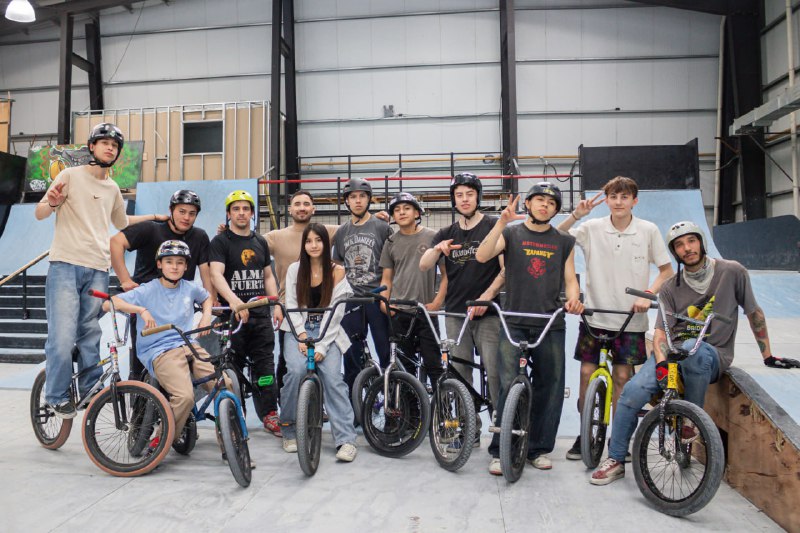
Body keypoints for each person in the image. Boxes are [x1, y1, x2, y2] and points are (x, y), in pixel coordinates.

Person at [590, 221, 799, 486]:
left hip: (712, 354)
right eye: (679, 245)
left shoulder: (732, 272)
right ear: (674, 253)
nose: (687, 248)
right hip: (672, 353)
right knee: (632, 392)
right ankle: (616, 459)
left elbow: (753, 312)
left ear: (701, 242)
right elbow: (662, 334)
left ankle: (691, 419)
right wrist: (663, 365)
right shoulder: (669, 288)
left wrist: (768, 355)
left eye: (691, 241)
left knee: (693, 349)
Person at [34, 122, 164, 418]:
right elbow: (40, 212)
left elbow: (122, 222)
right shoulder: (69, 175)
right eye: (104, 142)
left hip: (98, 269)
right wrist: (51, 204)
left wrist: (156, 217)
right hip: (65, 265)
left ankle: (91, 387)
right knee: (63, 336)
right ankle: (55, 395)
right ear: (92, 146)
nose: (110, 148)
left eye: (115, 145)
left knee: (90, 333)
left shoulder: (112, 188)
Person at [556, 176, 673, 460]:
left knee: (622, 376)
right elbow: (555, 239)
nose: (618, 202)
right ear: (606, 201)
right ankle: (585, 433)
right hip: (594, 316)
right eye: (613, 197)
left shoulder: (648, 230)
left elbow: (666, 270)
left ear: (634, 200)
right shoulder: (592, 227)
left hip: (630, 320)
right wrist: (576, 215)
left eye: (624, 197)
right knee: (586, 373)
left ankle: (616, 439)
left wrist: (648, 294)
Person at [476, 182, 584, 475]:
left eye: (551, 202)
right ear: (529, 204)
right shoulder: (511, 233)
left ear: (555, 209)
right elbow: (482, 256)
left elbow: (571, 279)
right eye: (539, 200)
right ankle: (501, 449)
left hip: (550, 323)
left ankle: (537, 448)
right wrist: (500, 222)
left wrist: (573, 299)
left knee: (551, 386)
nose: (544, 205)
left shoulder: (563, 240)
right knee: (508, 384)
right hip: (513, 321)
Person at [108, 241, 225, 449]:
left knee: (223, 385)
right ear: (160, 265)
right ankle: (162, 439)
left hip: (187, 344)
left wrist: (206, 316)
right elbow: (109, 302)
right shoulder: (147, 290)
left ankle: (229, 439)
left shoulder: (189, 288)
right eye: (169, 262)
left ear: (186, 267)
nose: (174, 266)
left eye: (180, 263)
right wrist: (140, 310)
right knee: (185, 397)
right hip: (159, 349)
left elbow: (207, 297)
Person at [419, 172, 505, 445]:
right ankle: (469, 428)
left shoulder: (493, 226)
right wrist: (438, 250)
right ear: (453, 199)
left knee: (494, 371)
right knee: (460, 372)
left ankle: (500, 428)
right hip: (456, 313)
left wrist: (486, 298)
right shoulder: (446, 233)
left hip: (489, 313)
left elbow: (505, 271)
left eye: (469, 194)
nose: (464, 199)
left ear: (478, 196)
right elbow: (424, 265)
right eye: (459, 195)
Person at [110, 189, 213, 380]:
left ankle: (177, 407)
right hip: (148, 304)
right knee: (144, 366)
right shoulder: (151, 229)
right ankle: (142, 407)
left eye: (192, 213)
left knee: (184, 363)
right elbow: (116, 242)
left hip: (178, 306)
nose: (186, 217)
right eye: (182, 211)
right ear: (171, 210)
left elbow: (205, 272)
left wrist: (210, 302)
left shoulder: (199, 236)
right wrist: (124, 279)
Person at [279, 223, 359, 462]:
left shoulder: (337, 271)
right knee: (295, 371)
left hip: (328, 331)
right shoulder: (295, 269)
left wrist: (321, 346)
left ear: (326, 244)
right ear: (303, 245)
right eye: (309, 241)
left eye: (318, 240)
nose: (313, 245)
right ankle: (290, 430)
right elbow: (291, 306)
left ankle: (345, 440)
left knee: (333, 378)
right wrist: (302, 336)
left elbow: (336, 313)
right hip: (297, 328)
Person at [210, 190, 283, 437]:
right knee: (231, 369)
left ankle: (269, 414)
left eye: (246, 209)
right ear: (229, 213)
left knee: (264, 368)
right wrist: (234, 302)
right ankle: (232, 416)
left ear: (252, 213)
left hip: (260, 317)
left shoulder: (259, 242)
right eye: (236, 209)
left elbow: (268, 276)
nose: (241, 213)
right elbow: (216, 275)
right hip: (232, 318)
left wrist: (275, 305)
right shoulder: (220, 242)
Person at [265, 190, 337, 397]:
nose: (302, 208)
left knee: (321, 362)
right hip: (289, 307)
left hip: (319, 307)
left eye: (306, 204)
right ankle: (286, 405)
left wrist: (376, 218)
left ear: (313, 209)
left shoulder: (325, 231)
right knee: (288, 364)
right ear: (290, 209)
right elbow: (248, 242)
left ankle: (314, 404)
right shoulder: (275, 237)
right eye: (297, 204)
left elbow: (353, 228)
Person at [379, 192, 447, 393]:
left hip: (426, 312)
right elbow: (387, 279)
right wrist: (385, 303)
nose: (401, 213)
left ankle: (442, 415)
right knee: (405, 369)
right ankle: (413, 418)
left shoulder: (433, 237)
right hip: (399, 312)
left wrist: (437, 303)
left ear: (417, 212)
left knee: (434, 364)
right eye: (397, 210)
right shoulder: (390, 242)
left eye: (406, 208)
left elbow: (445, 275)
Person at [332, 178, 393, 394]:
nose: (358, 201)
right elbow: (338, 265)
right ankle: (354, 407)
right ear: (347, 202)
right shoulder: (341, 232)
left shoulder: (382, 227)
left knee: (385, 352)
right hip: (352, 300)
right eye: (353, 197)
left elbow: (391, 264)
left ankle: (391, 405)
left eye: (362, 196)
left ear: (369, 199)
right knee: (351, 355)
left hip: (377, 298)